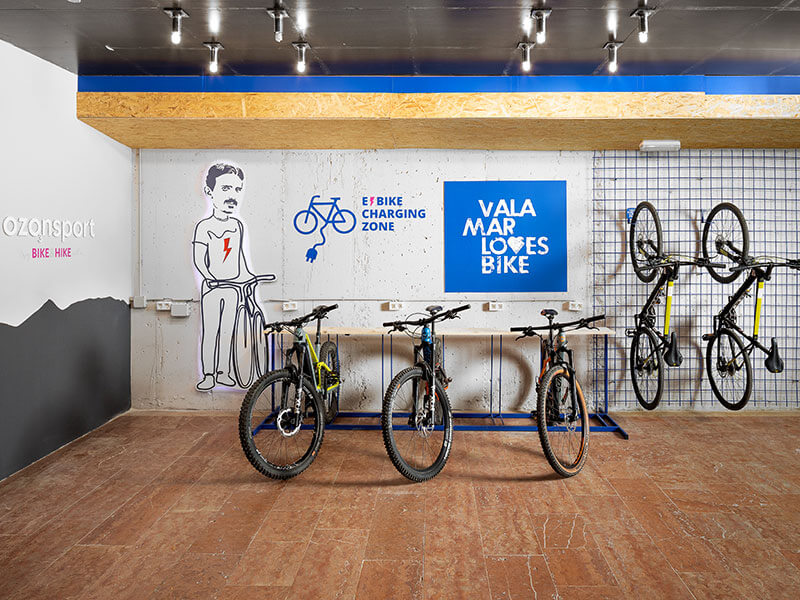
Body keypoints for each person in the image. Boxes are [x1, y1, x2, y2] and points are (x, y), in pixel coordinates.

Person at [192, 163, 257, 391]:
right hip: (212, 288)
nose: (233, 196)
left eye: (237, 190)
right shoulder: (204, 226)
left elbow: (239, 258)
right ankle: (208, 374)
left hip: (233, 289)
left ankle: (224, 371)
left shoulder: (238, 225)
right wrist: (209, 277)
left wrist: (249, 278)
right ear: (210, 192)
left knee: (228, 331)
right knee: (210, 331)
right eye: (226, 188)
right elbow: (199, 259)